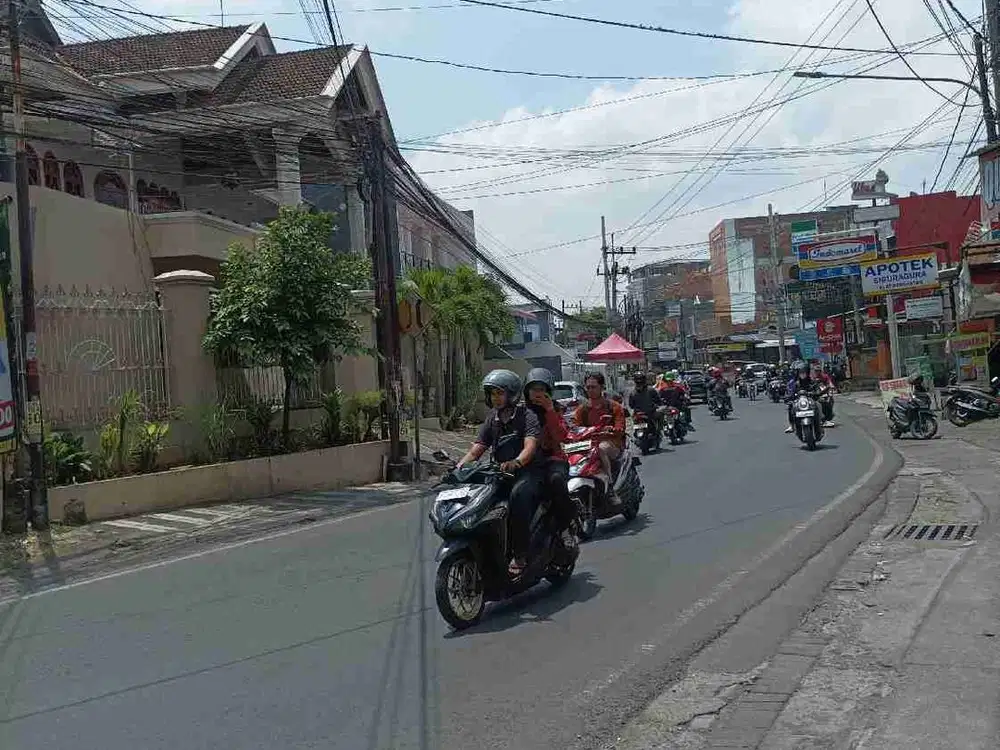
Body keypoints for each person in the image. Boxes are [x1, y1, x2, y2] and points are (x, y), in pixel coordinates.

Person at [458, 369, 542, 577]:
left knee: (517, 497)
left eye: (499, 393)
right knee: (478, 500)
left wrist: (517, 462)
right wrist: (458, 468)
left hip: (526, 472)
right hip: (498, 473)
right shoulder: (492, 419)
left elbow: (530, 445)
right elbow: (478, 448)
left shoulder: (526, 415)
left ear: (511, 394)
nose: (495, 398)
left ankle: (520, 554)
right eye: (492, 394)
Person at [523, 367, 577, 548]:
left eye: (541, 389)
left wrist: (549, 411)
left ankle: (565, 527)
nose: (537, 394)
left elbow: (561, 436)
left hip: (552, 459)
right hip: (528, 463)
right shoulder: (521, 412)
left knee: (555, 481)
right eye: (534, 389)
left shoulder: (556, 410)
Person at [573, 371, 627, 504]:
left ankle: (610, 490)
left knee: (601, 449)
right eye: (588, 387)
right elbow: (575, 428)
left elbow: (620, 427)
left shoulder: (614, 406)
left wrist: (612, 429)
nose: (590, 390)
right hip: (588, 445)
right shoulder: (582, 409)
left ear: (602, 387)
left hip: (611, 443)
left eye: (593, 387)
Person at [629, 371, 663, 436]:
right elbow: (658, 400)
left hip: (640, 413)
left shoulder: (633, 392)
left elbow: (631, 405)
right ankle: (659, 431)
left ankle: (658, 431)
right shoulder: (650, 389)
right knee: (660, 414)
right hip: (648, 413)